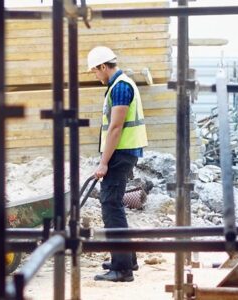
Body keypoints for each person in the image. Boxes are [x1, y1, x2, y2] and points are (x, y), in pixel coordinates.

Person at [88, 46, 148, 282]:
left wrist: (104, 163)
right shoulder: (120, 85)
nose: (95, 75)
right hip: (122, 153)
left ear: (103, 67)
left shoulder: (121, 87)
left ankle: (122, 269)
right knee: (114, 204)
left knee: (110, 204)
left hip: (120, 154)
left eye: (95, 71)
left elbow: (115, 127)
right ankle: (127, 258)